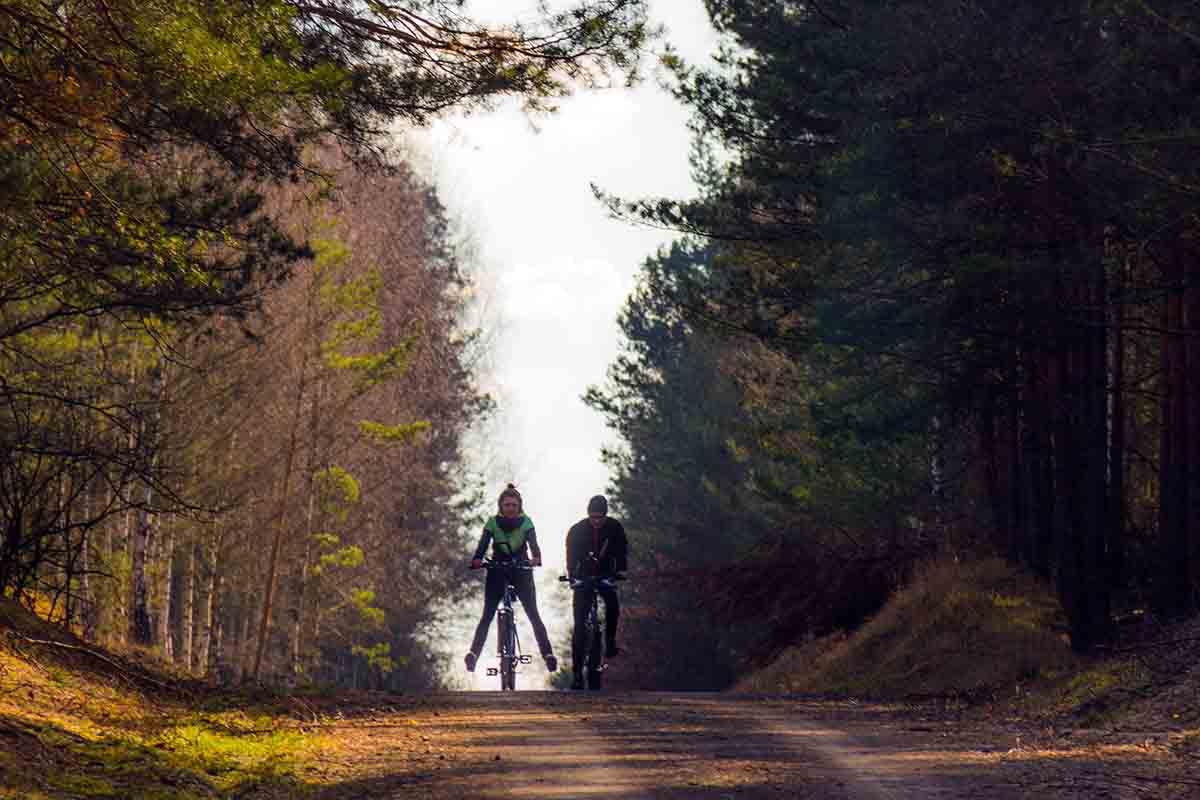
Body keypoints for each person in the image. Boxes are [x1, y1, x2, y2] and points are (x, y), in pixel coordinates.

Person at [464, 484, 557, 674]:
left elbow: (533, 544)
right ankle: (473, 655)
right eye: (507, 505)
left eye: (514, 505)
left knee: (533, 614)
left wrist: (536, 559)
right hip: (497, 570)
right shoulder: (492, 523)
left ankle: (548, 655)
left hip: (521, 570)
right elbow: (483, 545)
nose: (510, 508)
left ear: (519, 506)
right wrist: (477, 559)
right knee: (487, 615)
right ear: (501, 506)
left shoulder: (526, 523)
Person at [565, 494, 628, 689]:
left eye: (600, 517)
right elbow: (570, 556)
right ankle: (576, 674)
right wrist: (572, 575)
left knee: (612, 605)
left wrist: (620, 571)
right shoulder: (576, 530)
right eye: (593, 517)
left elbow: (621, 551)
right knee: (580, 626)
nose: (597, 521)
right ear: (588, 515)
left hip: (605, 574)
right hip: (583, 576)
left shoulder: (615, 528)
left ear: (606, 515)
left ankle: (609, 641)